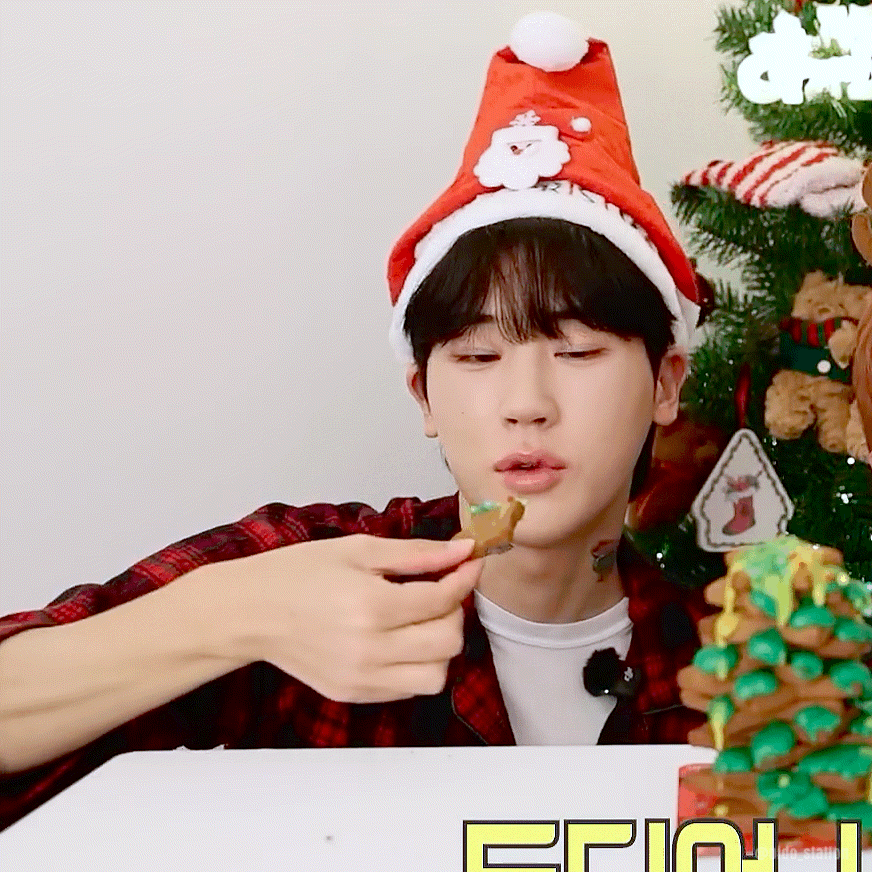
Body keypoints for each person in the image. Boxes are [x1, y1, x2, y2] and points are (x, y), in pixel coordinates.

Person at [0, 12, 716, 829]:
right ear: (423, 397)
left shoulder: (730, 651)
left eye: (578, 351)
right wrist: (238, 616)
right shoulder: (311, 567)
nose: (526, 403)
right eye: (478, 356)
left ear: (665, 383)